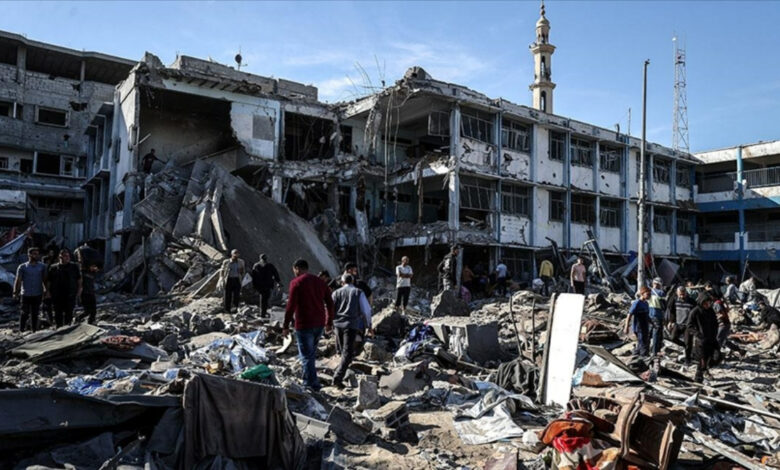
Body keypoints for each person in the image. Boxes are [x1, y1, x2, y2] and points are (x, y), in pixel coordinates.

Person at [283, 259, 335, 391]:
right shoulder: (320, 282)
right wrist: (329, 322)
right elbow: (330, 303)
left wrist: (285, 326)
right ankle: (309, 379)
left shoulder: (296, 282)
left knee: (306, 356)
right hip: (319, 324)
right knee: (310, 354)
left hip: (304, 324)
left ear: (297, 268)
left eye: (294, 270)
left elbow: (290, 306)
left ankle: (310, 384)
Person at [331, 274, 372, 388]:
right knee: (348, 353)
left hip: (337, 324)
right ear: (353, 281)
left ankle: (340, 374)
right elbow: (366, 310)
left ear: (342, 282)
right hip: (351, 325)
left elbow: (330, 308)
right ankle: (337, 378)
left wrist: (328, 323)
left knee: (342, 351)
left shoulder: (336, 293)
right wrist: (369, 325)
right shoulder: (358, 292)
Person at [687, 294, 720, 383]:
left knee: (716, 356)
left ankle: (706, 370)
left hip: (712, 338)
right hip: (701, 341)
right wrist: (698, 334)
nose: (708, 305)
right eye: (706, 303)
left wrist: (715, 333)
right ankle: (698, 379)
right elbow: (689, 326)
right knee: (701, 361)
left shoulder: (711, 311)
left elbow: (715, 323)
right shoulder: (695, 311)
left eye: (709, 303)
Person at [13, 247, 47, 332]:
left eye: (37, 254)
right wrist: (15, 292)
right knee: (24, 312)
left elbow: (45, 280)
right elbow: (18, 280)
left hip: (37, 293)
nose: (36, 256)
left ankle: (34, 330)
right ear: (29, 255)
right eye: (34, 254)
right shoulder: (23, 267)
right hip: (26, 293)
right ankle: (21, 330)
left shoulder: (42, 266)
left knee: (35, 313)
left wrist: (46, 291)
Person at [47, 248, 82, 328]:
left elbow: (79, 279)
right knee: (58, 313)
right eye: (65, 256)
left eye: (68, 256)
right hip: (57, 294)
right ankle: (59, 328)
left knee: (69, 313)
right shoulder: (53, 268)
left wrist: (79, 291)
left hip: (70, 294)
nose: (67, 258)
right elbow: (49, 281)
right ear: (60, 257)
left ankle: (67, 327)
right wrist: (47, 291)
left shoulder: (74, 267)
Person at [668, 286, 695, 364]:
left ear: (686, 293)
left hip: (688, 325)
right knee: (673, 338)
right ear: (677, 293)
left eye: (683, 294)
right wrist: (671, 321)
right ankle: (684, 346)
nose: (682, 296)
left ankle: (688, 359)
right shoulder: (675, 300)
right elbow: (672, 311)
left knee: (688, 342)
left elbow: (695, 313)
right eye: (680, 294)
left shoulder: (691, 301)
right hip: (678, 323)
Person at [625, 286, 651, 357]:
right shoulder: (637, 303)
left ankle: (636, 354)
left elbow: (647, 315)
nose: (649, 296)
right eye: (648, 294)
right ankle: (643, 357)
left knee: (642, 342)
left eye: (650, 294)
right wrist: (626, 327)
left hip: (645, 326)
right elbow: (629, 315)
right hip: (638, 327)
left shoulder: (646, 303)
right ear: (642, 294)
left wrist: (652, 323)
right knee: (642, 342)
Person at [220, 249, 245, 313]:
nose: (236, 256)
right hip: (228, 279)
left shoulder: (241, 262)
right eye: (235, 254)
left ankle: (234, 309)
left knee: (236, 295)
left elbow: (243, 271)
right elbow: (222, 270)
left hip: (237, 279)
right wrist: (222, 279)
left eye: (237, 254)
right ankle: (227, 309)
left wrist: (241, 273)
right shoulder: (226, 262)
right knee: (227, 295)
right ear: (232, 254)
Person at [648, 278, 666, 356]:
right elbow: (664, 306)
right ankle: (655, 351)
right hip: (657, 315)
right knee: (657, 334)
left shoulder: (648, 292)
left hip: (649, 315)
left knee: (649, 333)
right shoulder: (661, 293)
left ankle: (645, 350)